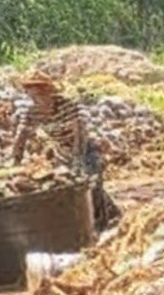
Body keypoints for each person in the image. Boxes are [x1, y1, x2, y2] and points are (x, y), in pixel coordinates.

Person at [11, 72, 120, 232]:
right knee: (75, 189)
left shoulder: (67, 105)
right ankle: (114, 214)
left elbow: (80, 132)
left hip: (85, 149)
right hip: (62, 152)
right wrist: (15, 160)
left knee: (91, 183)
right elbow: (21, 135)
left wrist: (78, 157)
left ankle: (100, 225)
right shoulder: (31, 112)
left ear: (48, 91)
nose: (37, 99)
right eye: (32, 94)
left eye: (40, 94)